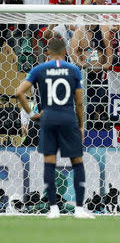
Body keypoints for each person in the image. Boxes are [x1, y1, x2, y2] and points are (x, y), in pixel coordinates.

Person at [15, 38, 94, 219]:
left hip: (48, 118)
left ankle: (53, 209)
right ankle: (80, 209)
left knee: (49, 163)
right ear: (65, 53)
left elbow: (19, 92)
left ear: (47, 53)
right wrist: (81, 126)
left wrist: (32, 114)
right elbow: (79, 102)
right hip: (68, 118)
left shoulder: (39, 69)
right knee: (77, 162)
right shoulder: (73, 70)